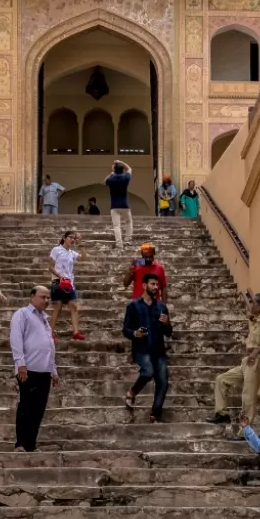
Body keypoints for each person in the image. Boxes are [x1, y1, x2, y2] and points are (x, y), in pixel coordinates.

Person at [210, 291, 260, 423]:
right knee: (221, 379)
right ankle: (222, 413)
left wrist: (257, 350)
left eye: (254, 302)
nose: (251, 304)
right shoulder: (254, 319)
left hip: (256, 361)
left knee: (248, 396)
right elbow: (250, 310)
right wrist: (246, 296)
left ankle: (245, 430)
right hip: (247, 361)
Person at [10, 284, 59, 451]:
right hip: (28, 369)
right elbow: (16, 339)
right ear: (32, 297)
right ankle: (20, 443)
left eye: (48, 298)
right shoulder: (22, 314)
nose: (46, 300)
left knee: (39, 408)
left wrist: (54, 370)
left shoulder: (45, 319)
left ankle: (31, 443)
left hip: (44, 370)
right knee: (27, 406)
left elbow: (49, 345)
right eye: (42, 297)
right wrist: (20, 363)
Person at [123, 273, 172, 422]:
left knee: (163, 382)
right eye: (152, 284)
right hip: (141, 349)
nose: (156, 287)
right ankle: (131, 393)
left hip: (159, 350)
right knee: (148, 372)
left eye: (157, 285)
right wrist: (135, 333)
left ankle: (154, 415)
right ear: (144, 285)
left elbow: (169, 333)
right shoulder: (133, 306)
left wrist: (167, 324)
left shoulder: (162, 307)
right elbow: (125, 329)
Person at [49, 228, 85, 341]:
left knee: (74, 306)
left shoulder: (72, 253)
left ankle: (76, 332)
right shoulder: (56, 250)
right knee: (58, 307)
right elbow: (50, 266)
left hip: (69, 283)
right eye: (70, 237)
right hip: (58, 281)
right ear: (64, 238)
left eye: (74, 238)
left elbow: (83, 258)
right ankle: (50, 333)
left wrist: (82, 245)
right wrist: (60, 276)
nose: (72, 240)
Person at [105, 160, 133, 248]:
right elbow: (129, 168)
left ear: (114, 170)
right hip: (124, 205)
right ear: (122, 170)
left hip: (114, 206)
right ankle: (128, 240)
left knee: (116, 225)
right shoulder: (125, 178)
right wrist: (121, 162)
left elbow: (105, 180)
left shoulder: (111, 179)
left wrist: (111, 173)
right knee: (128, 222)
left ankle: (119, 243)